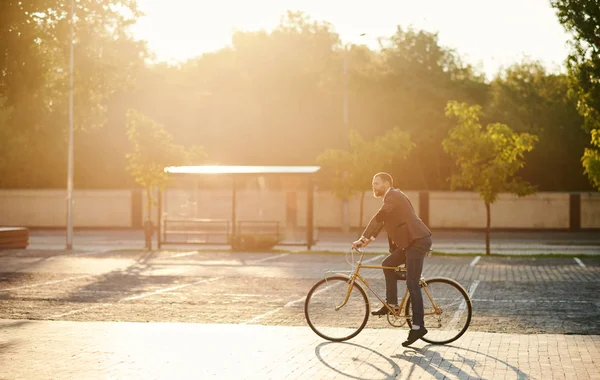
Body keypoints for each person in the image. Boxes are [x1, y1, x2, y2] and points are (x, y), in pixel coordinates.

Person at [352, 172, 432, 347]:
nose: (374, 186)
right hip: (410, 243)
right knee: (387, 264)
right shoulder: (391, 199)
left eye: (377, 183)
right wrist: (365, 241)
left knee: (412, 283)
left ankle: (418, 327)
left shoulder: (393, 196)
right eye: (373, 183)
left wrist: (362, 238)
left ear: (387, 183)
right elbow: (382, 223)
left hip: (417, 242)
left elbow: (379, 217)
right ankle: (392, 304)